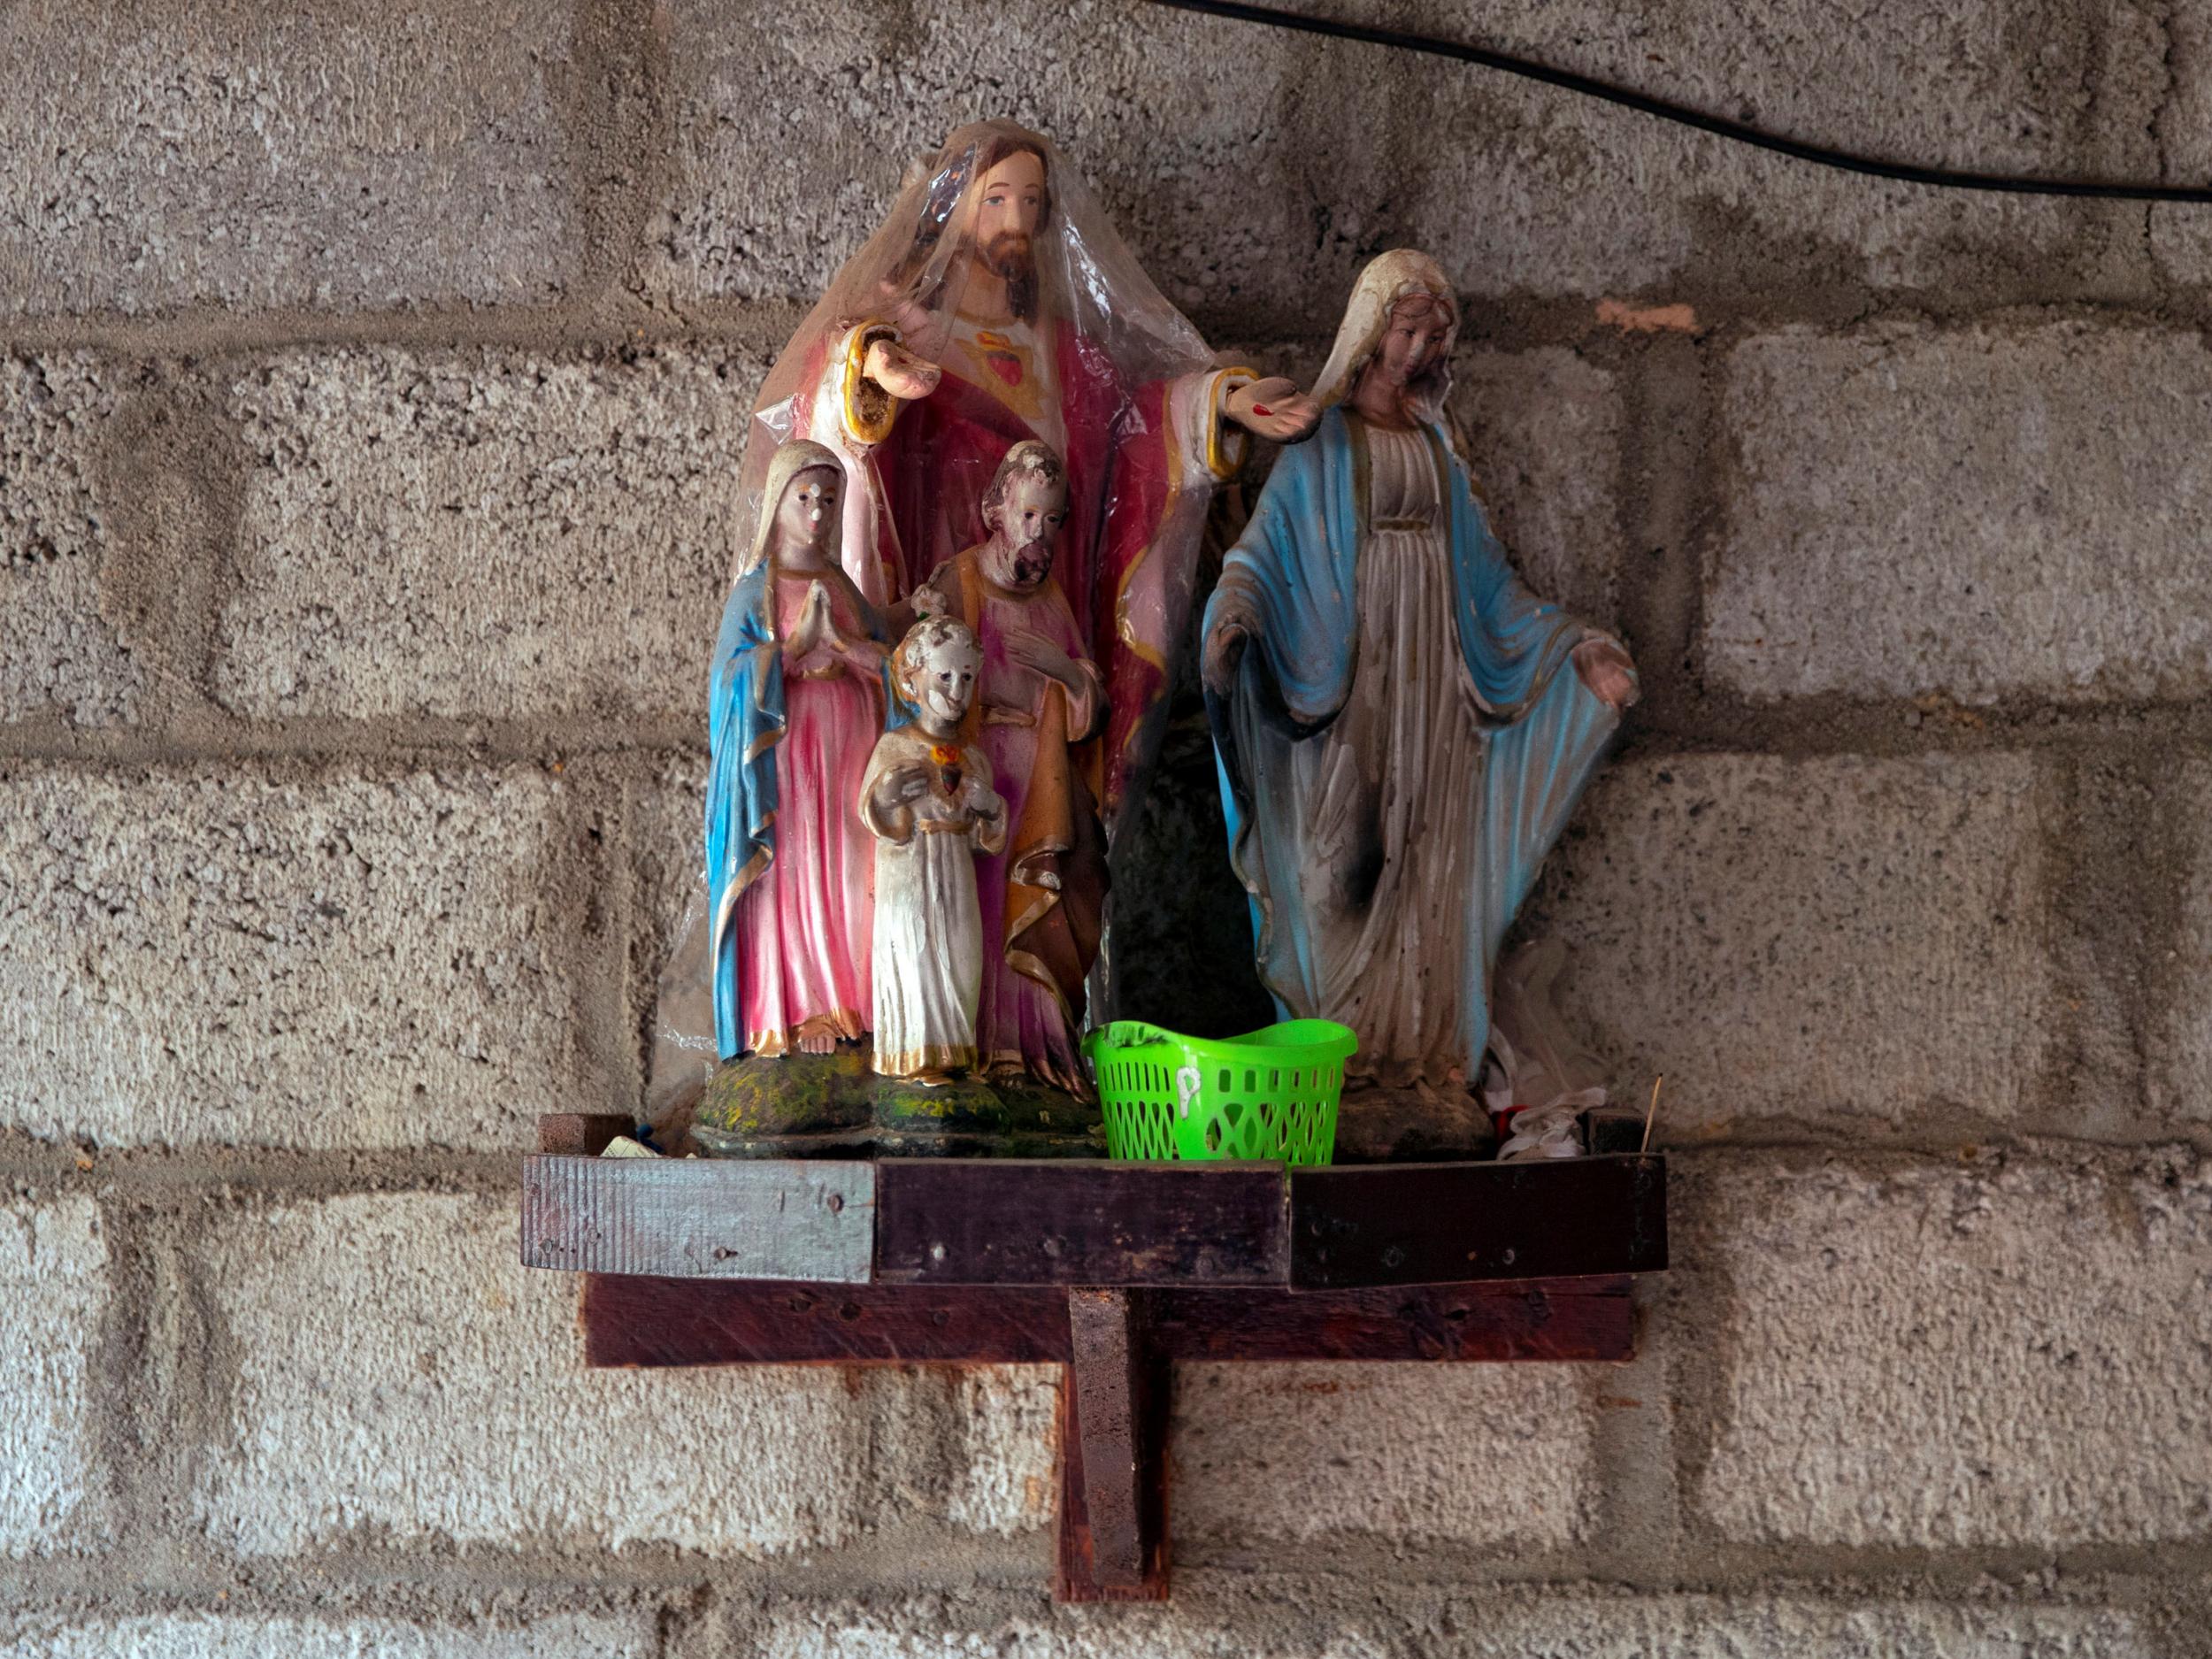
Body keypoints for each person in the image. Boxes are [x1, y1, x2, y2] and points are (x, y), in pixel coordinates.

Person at [742, 119, 1318, 828]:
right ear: (953, 211)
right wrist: (869, 370)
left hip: (1044, 579)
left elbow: (1138, 424)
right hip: (943, 574)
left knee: (1035, 776)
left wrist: (1219, 400)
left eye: (1032, 203)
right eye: (996, 200)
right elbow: (833, 394)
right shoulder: (907, 328)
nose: (1016, 221)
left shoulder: (1061, 349)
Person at [1202, 250, 1637, 1090]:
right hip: (1346, 695)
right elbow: (1260, 553)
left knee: (1426, 869)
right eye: (1408, 329)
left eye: (1435, 334)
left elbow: (1488, 588)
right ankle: (1336, 1060)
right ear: (1370, 334)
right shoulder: (1321, 441)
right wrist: (1235, 618)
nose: (1420, 349)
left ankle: (1418, 1061)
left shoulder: (1440, 449)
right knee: (1335, 876)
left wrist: (1571, 648)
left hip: (1432, 686)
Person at [916, 441, 1106, 1094]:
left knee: (1045, 909)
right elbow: (917, 668)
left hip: (1044, 777)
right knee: (984, 906)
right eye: (1029, 515)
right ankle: (978, 1048)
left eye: (1052, 521)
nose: (1039, 533)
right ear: (996, 509)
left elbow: (1090, 700)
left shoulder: (1052, 598)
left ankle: (1038, 1050)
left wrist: (1064, 671)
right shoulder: (960, 579)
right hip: (977, 771)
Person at [706, 440, 887, 1063]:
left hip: (849, 753)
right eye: (804, 498)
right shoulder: (755, 591)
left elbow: (886, 660)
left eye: (829, 501)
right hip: (786, 761)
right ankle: (799, 1005)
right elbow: (726, 688)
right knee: (798, 870)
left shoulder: (840, 585)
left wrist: (856, 652)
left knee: (847, 872)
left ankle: (853, 1000)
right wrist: (789, 652)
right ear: (778, 501)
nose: (817, 514)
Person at [861, 618, 1007, 1082]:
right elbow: (874, 812)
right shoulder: (895, 746)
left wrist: (991, 808)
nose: (957, 689)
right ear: (912, 679)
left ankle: (957, 1054)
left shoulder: (974, 757)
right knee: (916, 958)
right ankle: (916, 1058)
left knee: (963, 960)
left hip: (957, 875)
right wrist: (885, 796)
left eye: (966, 677)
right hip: (910, 876)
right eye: (944, 676)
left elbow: (986, 838)